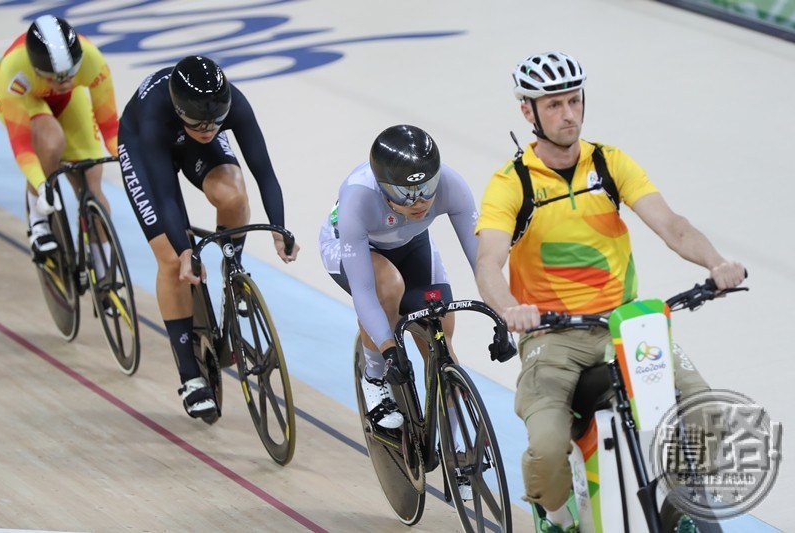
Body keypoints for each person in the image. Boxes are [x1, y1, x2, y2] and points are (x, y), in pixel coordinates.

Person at [474, 51, 747, 532]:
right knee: (546, 443)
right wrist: (511, 309)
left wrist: (717, 264)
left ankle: (680, 507)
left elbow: (672, 225)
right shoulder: (510, 183)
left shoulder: (610, 163)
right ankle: (555, 517)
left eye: (574, 101)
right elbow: (488, 261)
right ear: (528, 112)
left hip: (624, 325)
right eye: (554, 105)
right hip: (551, 337)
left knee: (703, 410)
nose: (569, 114)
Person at [117, 55, 299, 419]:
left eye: (216, 121)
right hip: (142, 146)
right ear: (180, 109)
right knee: (171, 260)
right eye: (200, 122)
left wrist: (280, 228)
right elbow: (166, 195)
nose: (209, 128)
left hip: (184, 136)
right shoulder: (155, 114)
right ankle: (190, 376)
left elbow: (264, 172)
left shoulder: (229, 106)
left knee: (234, 195)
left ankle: (232, 272)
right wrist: (185, 252)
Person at [318, 125, 478, 470]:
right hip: (351, 249)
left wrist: (505, 313)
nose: (419, 202)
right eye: (405, 194)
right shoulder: (358, 198)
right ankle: (374, 377)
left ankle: (456, 451)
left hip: (411, 244)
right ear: (381, 187)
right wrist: (389, 352)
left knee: (442, 335)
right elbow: (363, 291)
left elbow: (485, 264)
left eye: (426, 190)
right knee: (387, 287)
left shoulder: (451, 184)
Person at [0, 14, 119, 256]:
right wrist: (42, 185)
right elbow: (22, 145)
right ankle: (38, 222)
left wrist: (126, 157)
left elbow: (110, 126)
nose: (64, 82)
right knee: (51, 142)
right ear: (36, 69)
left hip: (67, 102)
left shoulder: (92, 58)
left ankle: (103, 273)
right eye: (54, 77)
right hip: (25, 98)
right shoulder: (14, 72)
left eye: (71, 73)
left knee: (92, 178)